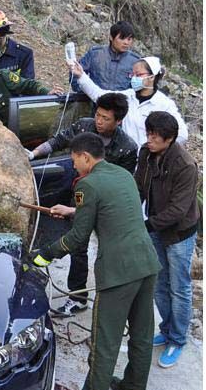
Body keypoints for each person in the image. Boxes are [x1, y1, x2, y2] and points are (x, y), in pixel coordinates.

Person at [32, 132, 160, 390]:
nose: (74, 166)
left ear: (86, 157)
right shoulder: (122, 174)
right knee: (141, 333)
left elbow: (78, 239)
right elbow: (110, 208)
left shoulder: (87, 185)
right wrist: (72, 211)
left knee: (105, 340)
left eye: (74, 160)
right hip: (146, 262)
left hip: (118, 272)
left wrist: (44, 254)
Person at [28, 93, 138, 317]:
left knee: (87, 245)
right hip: (76, 191)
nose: (99, 121)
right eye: (97, 115)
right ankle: (77, 296)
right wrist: (32, 154)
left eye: (105, 118)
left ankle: (102, 299)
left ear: (118, 121)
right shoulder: (83, 127)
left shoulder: (127, 148)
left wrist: (76, 211)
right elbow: (58, 140)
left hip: (102, 205)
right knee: (77, 246)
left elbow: (116, 193)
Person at [134, 111, 199, 368]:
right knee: (159, 283)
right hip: (156, 228)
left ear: (170, 139)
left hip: (179, 233)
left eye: (155, 136)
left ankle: (178, 339)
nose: (149, 139)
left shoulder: (185, 166)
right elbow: (139, 187)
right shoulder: (146, 153)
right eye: (148, 133)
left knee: (179, 288)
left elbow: (178, 211)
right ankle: (167, 329)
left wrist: (146, 224)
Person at [70, 56, 188, 148]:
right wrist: (81, 76)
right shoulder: (128, 96)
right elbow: (99, 95)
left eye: (139, 75)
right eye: (133, 74)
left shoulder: (164, 104)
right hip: (127, 157)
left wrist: (158, 147)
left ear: (152, 77)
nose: (134, 78)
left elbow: (182, 134)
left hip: (149, 162)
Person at [71, 21, 140, 92]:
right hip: (94, 99)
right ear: (111, 37)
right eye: (122, 38)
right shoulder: (95, 54)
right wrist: (84, 92)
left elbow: (142, 85)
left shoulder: (135, 61)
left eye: (129, 39)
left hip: (122, 101)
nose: (126, 42)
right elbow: (75, 72)